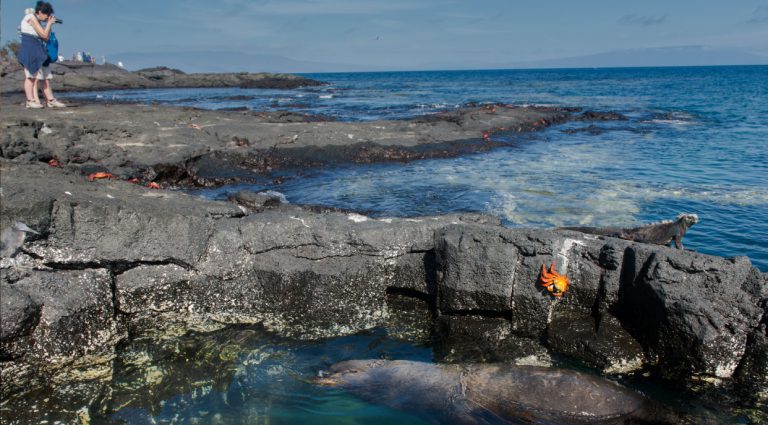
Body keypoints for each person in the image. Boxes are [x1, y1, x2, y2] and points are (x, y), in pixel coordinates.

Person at [17, 2, 66, 108]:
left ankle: (51, 100)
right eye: (47, 15)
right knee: (30, 77)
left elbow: (45, 38)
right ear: (40, 12)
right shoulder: (30, 17)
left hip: (39, 50)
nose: (48, 17)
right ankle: (30, 101)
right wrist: (49, 24)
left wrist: (48, 25)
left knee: (44, 77)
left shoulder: (37, 21)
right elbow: (43, 34)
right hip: (30, 50)